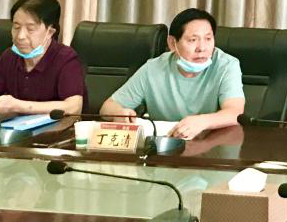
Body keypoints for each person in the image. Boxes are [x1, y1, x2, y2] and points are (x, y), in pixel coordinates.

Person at [101, 8, 244, 140]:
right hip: (164, 146)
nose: (202, 48)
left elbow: (235, 113)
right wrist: (120, 114)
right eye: (193, 40)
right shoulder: (153, 68)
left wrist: (202, 121)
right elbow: (107, 108)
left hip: (211, 145)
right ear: (172, 43)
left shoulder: (226, 65)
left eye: (208, 38)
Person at [0, 0, 86, 118]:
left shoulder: (65, 58)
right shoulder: (9, 57)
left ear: (50, 32)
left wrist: (18, 106)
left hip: (56, 131)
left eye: (30, 29)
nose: (20, 36)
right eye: (16, 27)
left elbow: (74, 107)